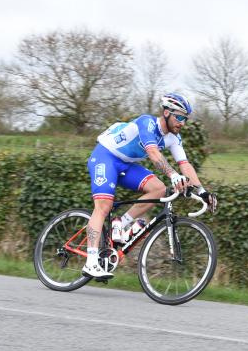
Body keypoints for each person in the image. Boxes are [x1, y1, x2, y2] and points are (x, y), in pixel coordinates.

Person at [83, 92, 216, 278]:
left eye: (185, 119)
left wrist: (202, 191)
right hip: (106, 156)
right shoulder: (147, 123)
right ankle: (90, 262)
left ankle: (121, 223)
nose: (182, 123)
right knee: (103, 206)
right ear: (167, 112)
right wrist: (173, 175)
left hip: (126, 164)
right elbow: (153, 153)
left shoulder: (174, 138)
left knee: (159, 189)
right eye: (179, 117)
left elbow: (185, 164)